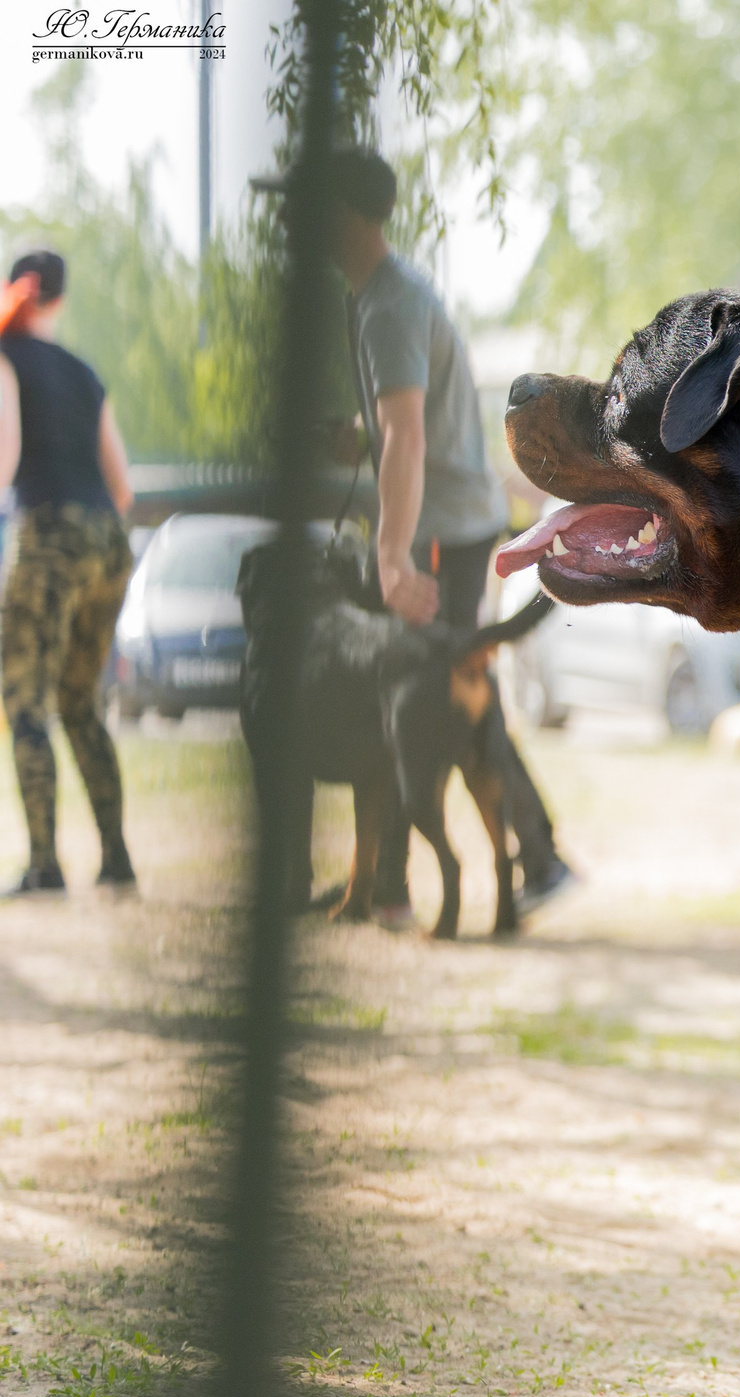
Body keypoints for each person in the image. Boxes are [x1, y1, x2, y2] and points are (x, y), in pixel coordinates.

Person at [259, 149, 576, 922]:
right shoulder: (380, 295)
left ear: (345, 212)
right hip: (447, 522)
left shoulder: (390, 305)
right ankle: (395, 881)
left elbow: (406, 439)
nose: (286, 216)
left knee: (436, 693)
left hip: (437, 535)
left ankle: (529, 856)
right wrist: (356, 434)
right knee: (423, 694)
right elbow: (401, 428)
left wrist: (391, 555)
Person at [0, 250, 137, 899]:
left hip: (51, 533)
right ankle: (116, 858)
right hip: (109, 542)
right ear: (59, 299)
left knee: (24, 699)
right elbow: (123, 484)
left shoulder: (6, 356)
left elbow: (4, 458)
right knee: (80, 702)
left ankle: (45, 865)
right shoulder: (84, 373)